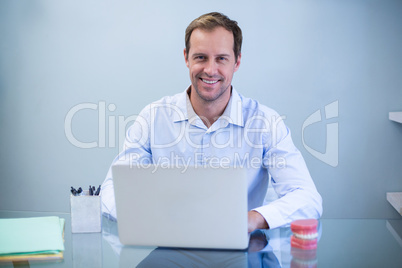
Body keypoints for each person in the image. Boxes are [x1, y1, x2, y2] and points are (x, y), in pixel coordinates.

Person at [101, 12, 322, 232]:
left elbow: (307, 198)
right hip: (169, 251)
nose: (210, 70)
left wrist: (252, 219)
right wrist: (150, 217)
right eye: (201, 57)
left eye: (221, 59)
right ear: (186, 57)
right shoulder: (153, 118)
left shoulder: (265, 123)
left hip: (243, 253)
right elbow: (113, 189)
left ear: (237, 62)